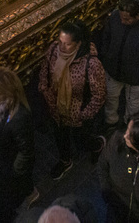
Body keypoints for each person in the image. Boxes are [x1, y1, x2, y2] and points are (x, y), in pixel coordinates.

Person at [38, 20, 107, 180]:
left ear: (78, 44)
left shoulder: (91, 64)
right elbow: (45, 70)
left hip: (78, 114)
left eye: (67, 44)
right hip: (56, 109)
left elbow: (99, 95)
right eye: (60, 42)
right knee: (60, 137)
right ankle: (65, 161)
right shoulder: (54, 50)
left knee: (81, 141)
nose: (62, 47)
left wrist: (83, 114)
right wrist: (44, 89)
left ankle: (97, 146)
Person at [98, 0, 139, 129]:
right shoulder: (115, 17)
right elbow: (106, 36)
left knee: (133, 103)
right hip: (113, 70)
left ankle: (130, 125)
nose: (122, 21)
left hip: (136, 76)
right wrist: (106, 56)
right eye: (121, 17)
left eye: (126, 19)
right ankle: (111, 121)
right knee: (111, 97)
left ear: (137, 16)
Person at [0, 67, 35, 223]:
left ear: (9, 93)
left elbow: (26, 151)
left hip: (8, 169)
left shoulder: (19, 117)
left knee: (6, 202)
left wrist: (14, 172)